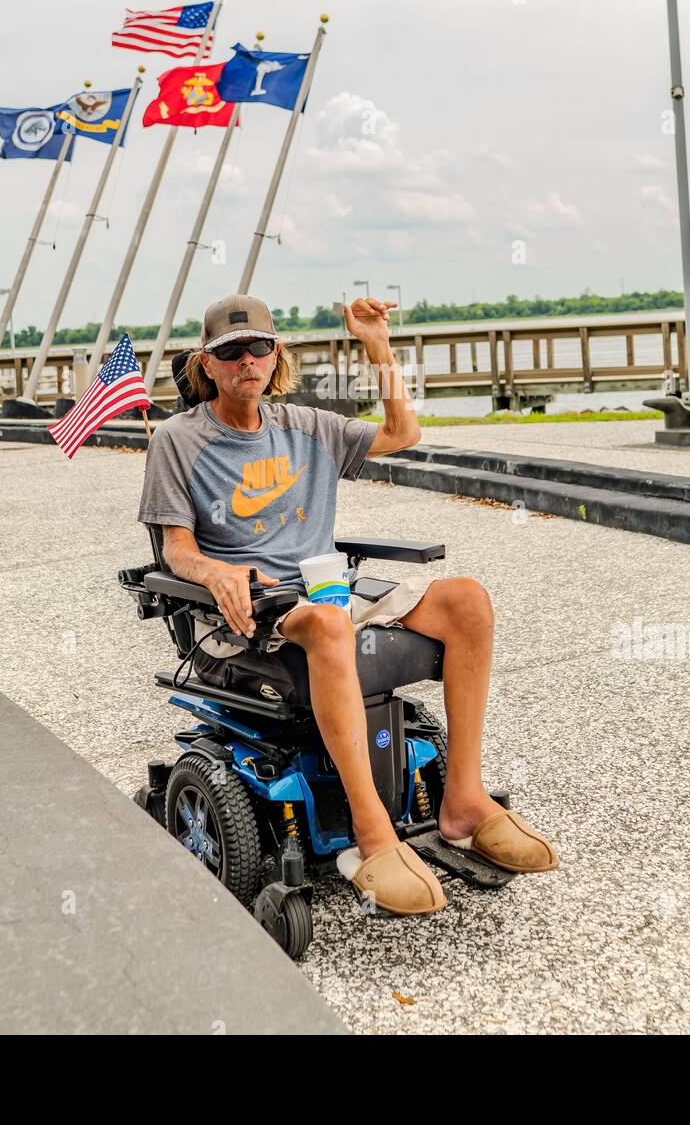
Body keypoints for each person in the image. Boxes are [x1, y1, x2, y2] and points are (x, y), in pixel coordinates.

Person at [138, 293, 557, 916]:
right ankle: (371, 835)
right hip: (245, 614)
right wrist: (215, 570)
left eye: (257, 347)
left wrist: (378, 346)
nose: (245, 361)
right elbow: (176, 548)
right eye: (229, 352)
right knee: (331, 623)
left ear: (275, 355)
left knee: (467, 601)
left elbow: (402, 432)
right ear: (207, 365)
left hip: (324, 592)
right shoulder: (177, 439)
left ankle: (463, 801)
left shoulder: (307, 426)